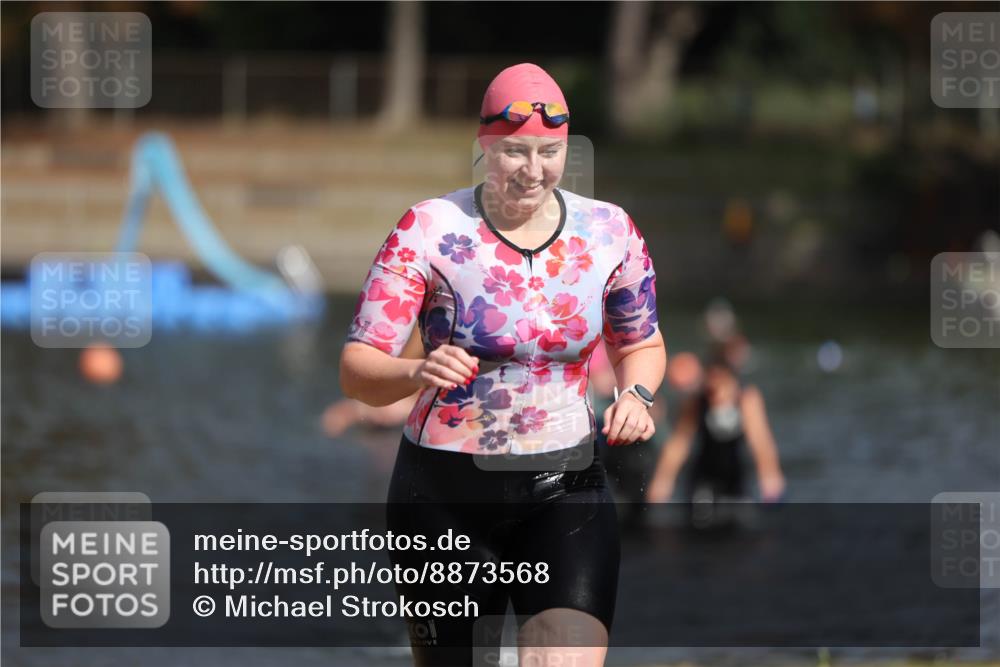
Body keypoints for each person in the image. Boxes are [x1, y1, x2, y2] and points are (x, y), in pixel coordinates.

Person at [340, 63, 667, 667]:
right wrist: (415, 372)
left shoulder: (609, 231)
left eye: (550, 152)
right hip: (444, 495)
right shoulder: (430, 229)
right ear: (484, 145)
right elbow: (358, 368)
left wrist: (635, 396)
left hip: (568, 486)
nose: (534, 170)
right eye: (515, 152)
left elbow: (640, 342)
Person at [645, 357, 785, 510]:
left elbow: (760, 440)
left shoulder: (746, 399)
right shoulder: (697, 401)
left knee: (741, 518)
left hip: (735, 474)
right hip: (703, 475)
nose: (717, 395)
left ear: (732, 382)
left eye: (722, 386)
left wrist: (770, 476)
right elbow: (679, 443)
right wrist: (663, 480)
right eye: (711, 389)